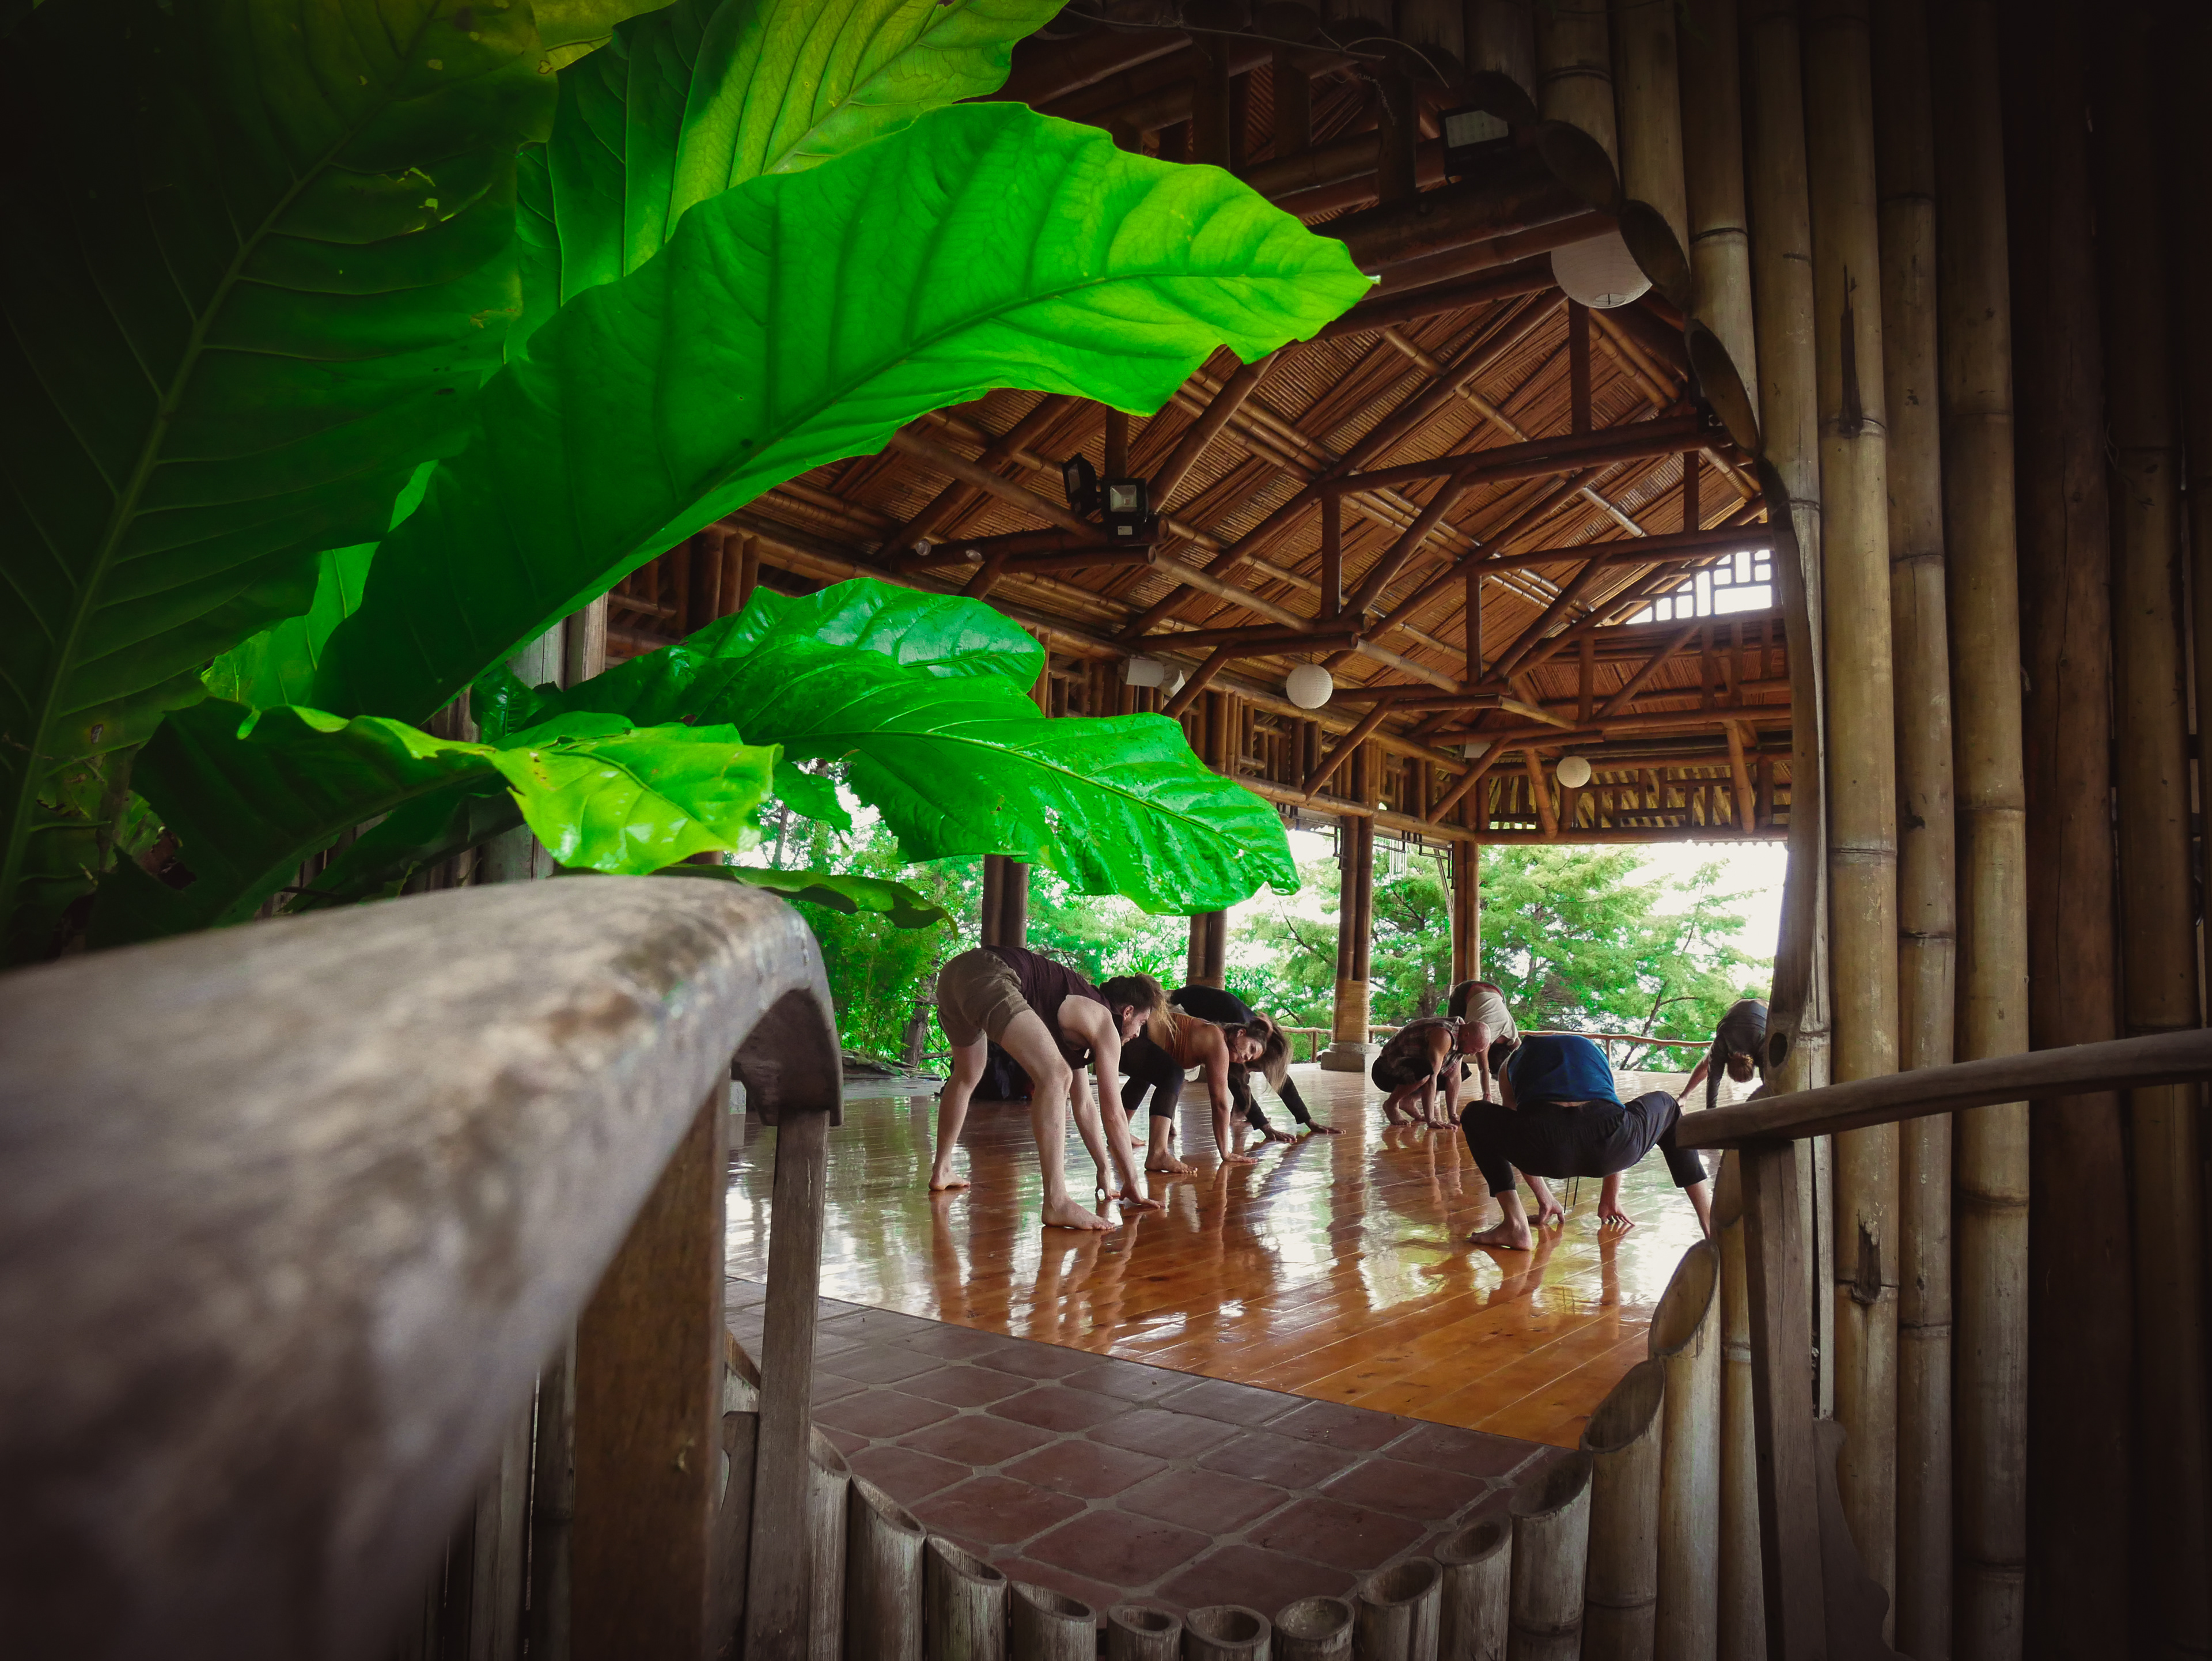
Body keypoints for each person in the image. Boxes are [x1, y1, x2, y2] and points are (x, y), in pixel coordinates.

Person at [931, 945, 1165, 1230]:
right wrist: (1132, 1183)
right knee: (1055, 1075)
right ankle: (1057, 1202)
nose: (1139, 1033)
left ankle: (942, 1169)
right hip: (991, 972)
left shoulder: (1082, 1021)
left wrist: (1105, 1170)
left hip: (953, 975)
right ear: (1127, 1012)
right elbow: (1114, 1114)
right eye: (1141, 1022)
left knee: (969, 1073)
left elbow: (1085, 1106)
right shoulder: (1105, 1023)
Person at [1460, 1031, 1714, 1251]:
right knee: (1669, 1107)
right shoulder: (1590, 1050)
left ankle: (1515, 1224)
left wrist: (1544, 1197)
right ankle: (1711, 1227)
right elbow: (1613, 1114)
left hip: (1544, 1149)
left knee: (1474, 1115)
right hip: (1613, 1148)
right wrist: (1610, 1196)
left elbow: (1515, 1133)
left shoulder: (1509, 1065)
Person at [1166, 983, 1341, 1141]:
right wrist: (1265, 1127)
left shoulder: (1253, 1041)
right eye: (1252, 1056)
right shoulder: (1241, 1039)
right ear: (1241, 1034)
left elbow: (1282, 1082)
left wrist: (1307, 1120)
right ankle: (1166, 1121)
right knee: (1182, 1072)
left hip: (1197, 1013)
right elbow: (1236, 1083)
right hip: (1175, 1006)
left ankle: (1169, 1120)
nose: (1249, 1060)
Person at [1119, 1005, 1265, 1172]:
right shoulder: (1218, 1043)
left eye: (1251, 1058)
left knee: (1151, 1073)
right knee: (1173, 1074)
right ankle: (1158, 1154)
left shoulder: (1215, 1036)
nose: (1246, 1057)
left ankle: (1120, 1132)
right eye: (1251, 1049)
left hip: (1134, 1033)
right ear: (1241, 1033)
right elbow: (1220, 1104)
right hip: (1133, 1029)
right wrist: (1226, 1152)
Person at [1370, 1015, 1494, 1129]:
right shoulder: (1444, 1036)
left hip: (1409, 1068)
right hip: (1385, 1071)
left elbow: (1454, 1077)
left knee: (1463, 1071)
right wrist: (1432, 1120)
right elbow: (1432, 1078)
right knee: (1425, 1071)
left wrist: (1453, 1115)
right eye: (1473, 1049)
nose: (1473, 1054)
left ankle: (1409, 1100)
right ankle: (1392, 1104)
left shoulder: (1461, 1036)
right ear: (1466, 1035)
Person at [1705, 998, 1768, 1113]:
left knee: (1711, 1062)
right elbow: (1713, 1078)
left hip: (1755, 1008)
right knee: (1710, 1061)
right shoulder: (1722, 1043)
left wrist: (1711, 1108)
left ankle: (1684, 1096)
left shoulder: (1761, 1045)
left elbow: (1714, 1077)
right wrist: (1710, 1111)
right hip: (1743, 1012)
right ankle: (1684, 1096)